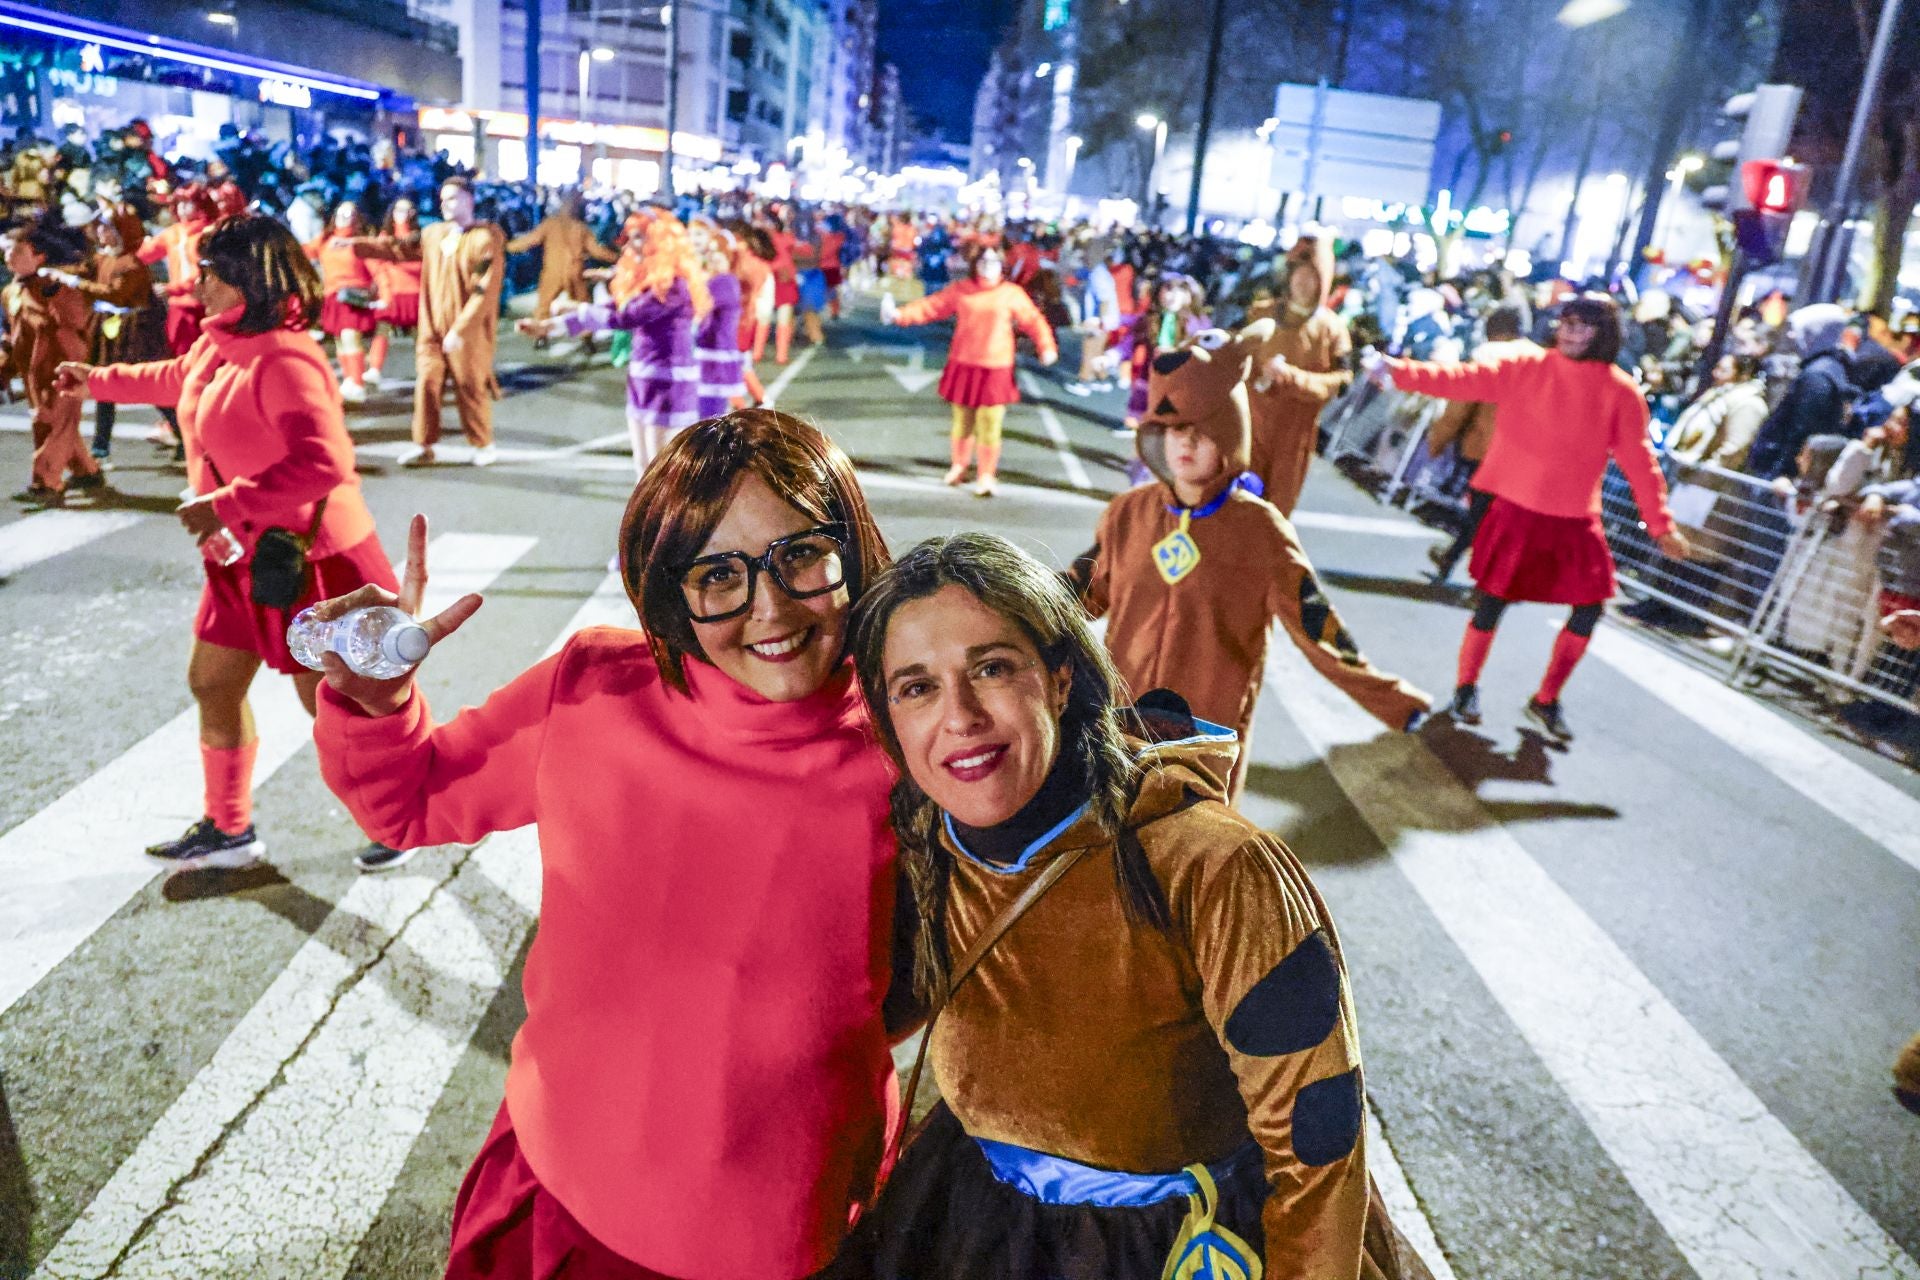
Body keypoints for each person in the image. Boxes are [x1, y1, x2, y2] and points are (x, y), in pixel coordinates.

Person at [308, 411, 901, 1279]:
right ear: (665, 593)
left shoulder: (910, 737)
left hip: (788, 1220)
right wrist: (377, 705)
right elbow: (410, 802)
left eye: (802, 555)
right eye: (718, 575)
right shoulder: (591, 690)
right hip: (566, 1185)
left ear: (854, 546)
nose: (769, 607)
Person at [847, 532, 1434, 1280]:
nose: (959, 715)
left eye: (992, 668)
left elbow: (1316, 1139)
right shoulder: (926, 841)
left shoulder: (1212, 866)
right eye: (917, 687)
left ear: (1060, 677)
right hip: (976, 1217)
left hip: (1172, 1245)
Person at [54, 214, 400, 871]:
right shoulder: (219, 344)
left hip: (309, 561)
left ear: (250, 279)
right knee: (212, 682)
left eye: (211, 272)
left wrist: (225, 503)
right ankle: (229, 827)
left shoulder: (286, 359)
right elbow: (175, 377)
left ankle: (396, 815)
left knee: (330, 704)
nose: (196, 283)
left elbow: (325, 463)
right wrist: (93, 379)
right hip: (239, 555)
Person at [1068, 323, 1429, 801]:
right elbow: (1076, 594)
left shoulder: (1261, 531)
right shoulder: (1129, 514)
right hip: (1121, 726)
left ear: (1229, 432)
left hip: (1204, 739)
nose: (1185, 444)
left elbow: (1318, 627)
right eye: (1175, 430)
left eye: (1201, 430)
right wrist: (1006, 613)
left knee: (1194, 843)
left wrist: (1393, 700)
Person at [1372, 292, 1689, 744]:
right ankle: (1465, 689)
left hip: (1574, 518)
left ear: (1603, 333)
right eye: (1567, 322)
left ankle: (1546, 698)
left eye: (1583, 325)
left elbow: (1640, 461)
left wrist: (1661, 526)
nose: (1571, 332)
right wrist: (1398, 372)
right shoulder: (1529, 368)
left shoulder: (1620, 391)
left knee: (1590, 606)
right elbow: (1462, 380)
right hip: (1517, 507)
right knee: (1491, 601)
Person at [522, 213, 710, 476]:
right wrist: (552, 326)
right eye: (630, 239)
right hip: (642, 380)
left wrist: (577, 309)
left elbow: (626, 317)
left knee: (662, 473)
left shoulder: (674, 284)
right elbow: (616, 307)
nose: (631, 246)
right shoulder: (647, 278)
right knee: (643, 467)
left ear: (663, 242)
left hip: (669, 384)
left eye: (640, 238)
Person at [888, 244, 1059, 498]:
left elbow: (1033, 321)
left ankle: (986, 474)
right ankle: (959, 466)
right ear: (975, 265)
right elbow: (932, 306)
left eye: (993, 262)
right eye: (983, 262)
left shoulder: (1011, 293)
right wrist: (899, 315)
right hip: (964, 364)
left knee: (990, 423)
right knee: (962, 422)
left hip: (995, 367)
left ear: (1002, 266)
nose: (988, 267)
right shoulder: (962, 289)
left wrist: (1046, 346)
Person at [370, 178, 507, 468]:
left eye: (453, 198)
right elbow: (399, 248)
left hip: (466, 331)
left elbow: (484, 290)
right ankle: (424, 444)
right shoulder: (433, 233)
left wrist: (461, 330)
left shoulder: (484, 239)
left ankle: (483, 443)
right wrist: (356, 246)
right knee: (427, 384)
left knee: (469, 385)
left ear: (469, 200)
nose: (445, 204)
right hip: (431, 327)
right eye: (443, 198)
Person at [1425, 302, 1538, 583]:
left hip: (1486, 450)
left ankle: (1478, 571)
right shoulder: (1544, 359)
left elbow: (1461, 404)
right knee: (1496, 516)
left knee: (1482, 513)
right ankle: (1458, 559)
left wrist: (1439, 439)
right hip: (1526, 455)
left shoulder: (1488, 354)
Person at [1244, 234, 1353, 515]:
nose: (1303, 283)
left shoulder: (1332, 329)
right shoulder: (1261, 314)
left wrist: (1294, 378)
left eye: (1312, 277)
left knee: (1276, 510)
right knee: (1239, 504)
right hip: (1251, 424)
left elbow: (1343, 380)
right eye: (1299, 275)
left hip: (1296, 432)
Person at [61, 202, 171, 463]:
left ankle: (180, 433)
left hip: (133, 332)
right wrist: (55, 273)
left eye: (108, 228)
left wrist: (76, 283)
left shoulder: (132, 263)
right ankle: (100, 447)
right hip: (109, 329)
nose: (101, 232)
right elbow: (84, 270)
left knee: (147, 384)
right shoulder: (103, 258)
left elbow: (116, 293)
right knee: (102, 383)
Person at [8, 222, 104, 507]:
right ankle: (86, 471)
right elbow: (14, 334)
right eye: (8, 251)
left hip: (63, 363)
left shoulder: (58, 286)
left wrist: (55, 294)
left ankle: (45, 482)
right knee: (51, 420)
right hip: (33, 368)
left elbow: (75, 321)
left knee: (54, 423)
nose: (10, 257)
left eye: (18, 251)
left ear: (39, 257)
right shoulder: (11, 291)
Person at [1745, 304, 1862, 482]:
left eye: (1800, 330)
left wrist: (1781, 474)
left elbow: (1801, 432)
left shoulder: (1817, 376)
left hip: (1779, 477)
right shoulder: (1826, 369)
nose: (1792, 335)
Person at [505, 189, 618, 343]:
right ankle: (586, 339)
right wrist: (617, 257)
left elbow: (530, 240)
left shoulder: (550, 224)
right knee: (581, 304)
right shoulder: (580, 228)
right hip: (575, 271)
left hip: (553, 271)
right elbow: (596, 251)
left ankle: (541, 336)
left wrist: (507, 247)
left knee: (544, 305)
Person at [307, 201, 380, 402]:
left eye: (350, 214)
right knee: (340, 340)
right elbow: (306, 251)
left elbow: (377, 269)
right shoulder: (325, 240)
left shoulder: (361, 243)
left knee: (350, 337)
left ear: (357, 219)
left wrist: (381, 294)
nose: (344, 218)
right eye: (341, 214)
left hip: (353, 295)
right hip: (332, 295)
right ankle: (349, 379)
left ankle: (357, 383)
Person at [1664, 352, 1768, 471]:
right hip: (1679, 464)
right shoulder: (1716, 393)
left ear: (1744, 375)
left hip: (1701, 475)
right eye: (1717, 368)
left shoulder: (1750, 404)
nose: (1715, 373)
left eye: (1724, 371)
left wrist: (1704, 471)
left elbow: (1734, 449)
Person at [363, 196, 423, 388]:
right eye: (399, 210)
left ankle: (426, 370)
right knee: (383, 329)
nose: (403, 215)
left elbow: (423, 265)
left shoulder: (419, 238)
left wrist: (400, 265)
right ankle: (374, 369)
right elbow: (375, 263)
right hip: (391, 292)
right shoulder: (385, 237)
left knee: (419, 334)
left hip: (414, 293)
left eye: (408, 210)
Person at [693, 225, 747, 420]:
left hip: (715, 352)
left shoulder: (723, 281)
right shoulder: (722, 279)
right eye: (710, 252)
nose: (712, 256)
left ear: (728, 256)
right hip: (712, 349)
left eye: (718, 252)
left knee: (709, 413)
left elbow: (698, 306)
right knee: (709, 410)